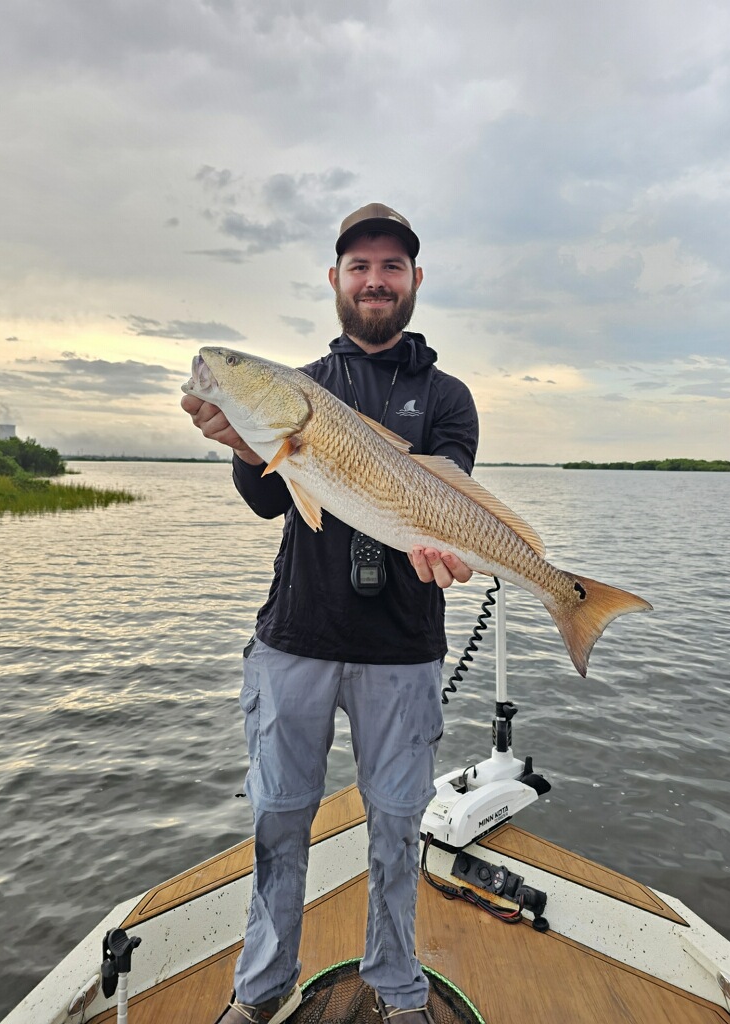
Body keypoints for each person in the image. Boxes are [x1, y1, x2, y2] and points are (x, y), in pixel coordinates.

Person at [181, 203, 478, 1024]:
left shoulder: (447, 396)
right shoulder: (300, 388)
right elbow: (266, 501)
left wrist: (448, 550)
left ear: (415, 280)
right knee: (279, 821)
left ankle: (397, 988)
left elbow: (444, 496)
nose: (375, 280)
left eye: (391, 266)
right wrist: (246, 442)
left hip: (404, 647)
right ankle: (264, 988)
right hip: (296, 639)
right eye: (359, 266)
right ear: (336, 280)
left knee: (395, 831)